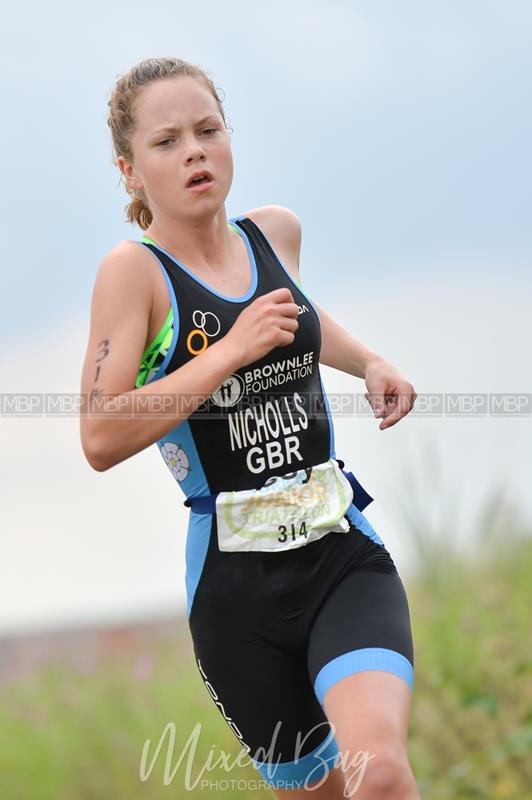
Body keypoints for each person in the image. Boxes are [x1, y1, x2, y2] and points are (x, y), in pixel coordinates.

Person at [80, 57, 420, 798]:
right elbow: (100, 435)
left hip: (339, 560)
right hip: (236, 599)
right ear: (130, 171)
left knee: (383, 773)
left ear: (231, 137)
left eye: (208, 130)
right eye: (167, 142)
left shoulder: (275, 234)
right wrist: (232, 350)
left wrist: (369, 362)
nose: (195, 151)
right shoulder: (132, 275)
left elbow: (294, 316)